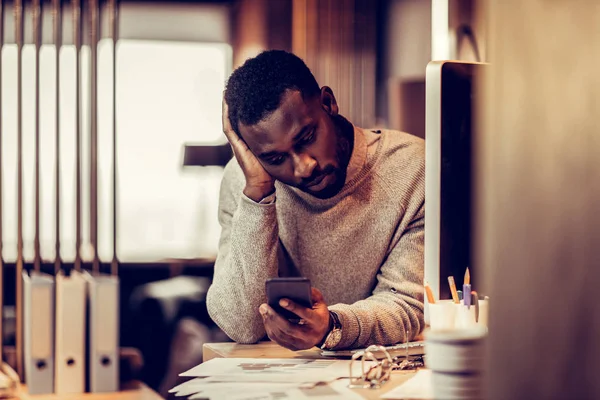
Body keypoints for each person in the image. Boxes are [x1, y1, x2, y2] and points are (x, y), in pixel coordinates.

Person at [206, 50, 425, 351]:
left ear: (328, 103)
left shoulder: (414, 169)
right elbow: (241, 325)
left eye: (307, 137)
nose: (303, 166)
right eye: (275, 157)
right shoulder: (249, 181)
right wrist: (258, 195)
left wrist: (332, 326)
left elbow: (408, 305)